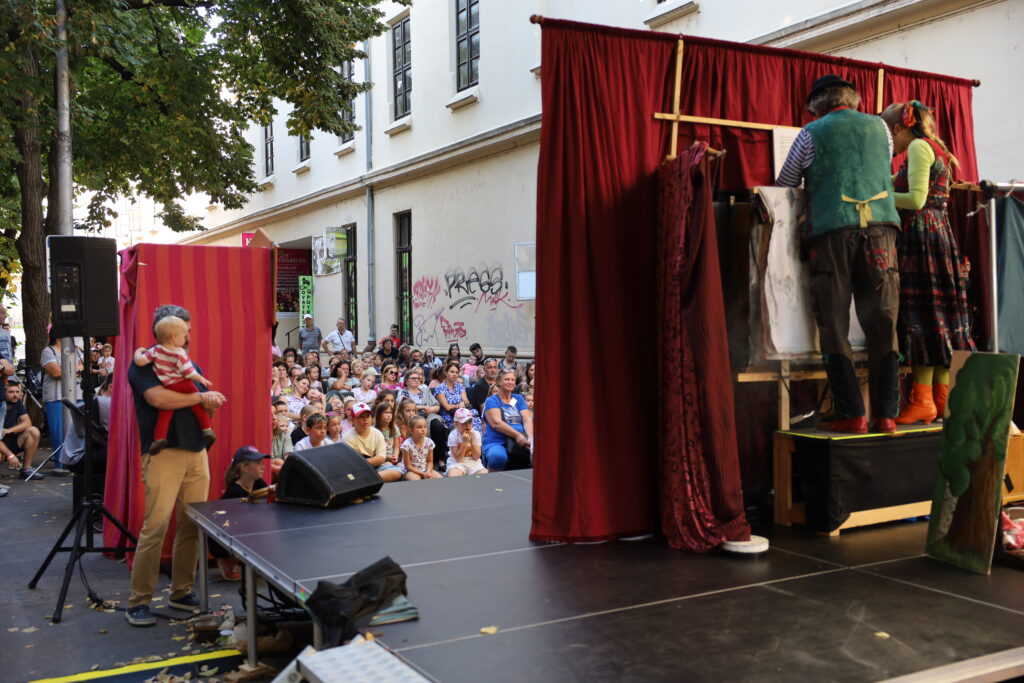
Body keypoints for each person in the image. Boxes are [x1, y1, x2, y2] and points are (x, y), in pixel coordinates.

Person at [776, 74, 901, 434]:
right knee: (883, 322)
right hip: (881, 232)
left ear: (816, 106)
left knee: (833, 322)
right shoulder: (882, 128)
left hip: (832, 233)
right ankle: (886, 415)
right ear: (853, 99)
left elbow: (785, 184)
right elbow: (881, 170)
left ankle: (852, 414)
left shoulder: (810, 133)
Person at [126, 304, 227, 627]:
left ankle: (181, 591)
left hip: (196, 451)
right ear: (168, 332)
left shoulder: (189, 363)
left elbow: (201, 404)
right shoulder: (144, 363)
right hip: (163, 453)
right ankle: (138, 601)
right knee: (155, 528)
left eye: (188, 329)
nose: (189, 335)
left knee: (191, 525)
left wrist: (209, 403)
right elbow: (159, 399)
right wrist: (201, 398)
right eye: (184, 329)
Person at [880, 100, 976, 424]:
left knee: (923, 316)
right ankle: (939, 399)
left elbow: (916, 199)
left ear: (898, 129)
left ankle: (924, 400)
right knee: (937, 318)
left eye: (889, 136)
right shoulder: (932, 147)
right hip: (936, 234)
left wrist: (877, 197)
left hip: (923, 237)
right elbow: (902, 185)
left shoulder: (919, 147)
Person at [134, 315, 217, 454]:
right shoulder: (180, 353)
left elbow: (140, 361)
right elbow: (188, 372)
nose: (188, 338)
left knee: (165, 413)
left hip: (168, 385)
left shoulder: (154, 351)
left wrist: (138, 352)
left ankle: (159, 438)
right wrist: (201, 381)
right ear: (173, 337)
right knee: (197, 403)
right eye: (184, 335)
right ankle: (207, 429)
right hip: (182, 384)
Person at [211, 446, 271, 581]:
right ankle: (227, 558)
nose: (263, 467)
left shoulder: (259, 484)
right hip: (226, 536)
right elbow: (223, 524)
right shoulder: (234, 493)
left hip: (247, 531)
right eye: (258, 463)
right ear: (245, 468)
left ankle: (253, 560)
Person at [40, 329, 80, 476]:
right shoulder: (48, 351)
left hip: (76, 394)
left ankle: (75, 462)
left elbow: (86, 367)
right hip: (55, 396)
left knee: (76, 431)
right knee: (59, 431)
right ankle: (60, 463)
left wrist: (71, 370)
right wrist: (77, 369)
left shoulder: (76, 351)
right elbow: (56, 373)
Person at [482, 370, 533, 471]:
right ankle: (492, 479)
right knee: (497, 456)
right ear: (499, 381)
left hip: (521, 439)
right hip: (498, 441)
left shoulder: (518, 399)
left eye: (512, 380)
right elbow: (496, 424)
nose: (510, 382)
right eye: (507, 379)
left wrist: (530, 437)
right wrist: (517, 435)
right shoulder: (492, 400)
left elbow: (527, 419)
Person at [342, 402, 403, 482]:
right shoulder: (347, 438)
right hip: (358, 470)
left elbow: (381, 458)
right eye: (361, 417)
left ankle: (368, 480)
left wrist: (365, 462)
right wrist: (373, 460)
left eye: (368, 416)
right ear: (353, 419)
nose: (365, 419)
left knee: (397, 472)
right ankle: (371, 479)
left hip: (377, 468)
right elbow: (352, 464)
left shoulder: (377, 433)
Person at [0, 381, 42, 480]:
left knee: (33, 431)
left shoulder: (17, 402)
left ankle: (26, 469)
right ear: (3, 393)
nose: (15, 395)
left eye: (17, 392)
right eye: (11, 392)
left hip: (9, 439)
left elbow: (27, 422)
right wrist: (10, 456)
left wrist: (9, 430)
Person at [446, 408, 487, 477]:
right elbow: (458, 459)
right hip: (456, 463)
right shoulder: (453, 435)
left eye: (470, 422)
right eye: (464, 423)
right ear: (456, 423)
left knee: (485, 475)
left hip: (473, 463)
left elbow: (476, 457)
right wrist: (464, 443)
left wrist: (472, 441)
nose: (467, 425)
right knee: (453, 477)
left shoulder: (476, 434)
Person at [401, 415, 443, 480]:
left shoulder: (429, 442)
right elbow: (408, 466)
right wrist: (422, 474)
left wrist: (428, 471)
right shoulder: (407, 445)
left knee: (440, 479)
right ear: (411, 430)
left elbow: (430, 461)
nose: (423, 429)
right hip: (411, 471)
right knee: (416, 480)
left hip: (425, 469)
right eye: (419, 427)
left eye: (425, 427)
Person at [374, 402, 403, 474]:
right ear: (379, 415)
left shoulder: (395, 429)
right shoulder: (374, 430)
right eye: (385, 412)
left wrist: (395, 456)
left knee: (401, 465)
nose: (389, 415)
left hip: (392, 459)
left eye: (390, 413)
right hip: (380, 460)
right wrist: (387, 457)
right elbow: (374, 451)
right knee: (388, 465)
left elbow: (396, 447)